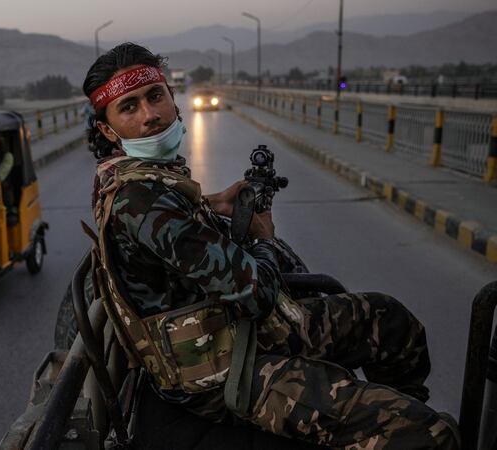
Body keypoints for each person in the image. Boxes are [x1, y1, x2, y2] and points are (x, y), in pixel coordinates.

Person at [83, 42, 458, 449]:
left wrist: (213, 203)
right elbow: (257, 293)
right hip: (223, 373)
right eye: (129, 107)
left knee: (388, 320)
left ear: (172, 97)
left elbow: (167, 234)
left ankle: (392, 410)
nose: (150, 115)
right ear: (109, 129)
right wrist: (263, 234)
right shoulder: (140, 199)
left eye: (155, 96)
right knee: (426, 434)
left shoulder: (138, 180)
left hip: (233, 335)